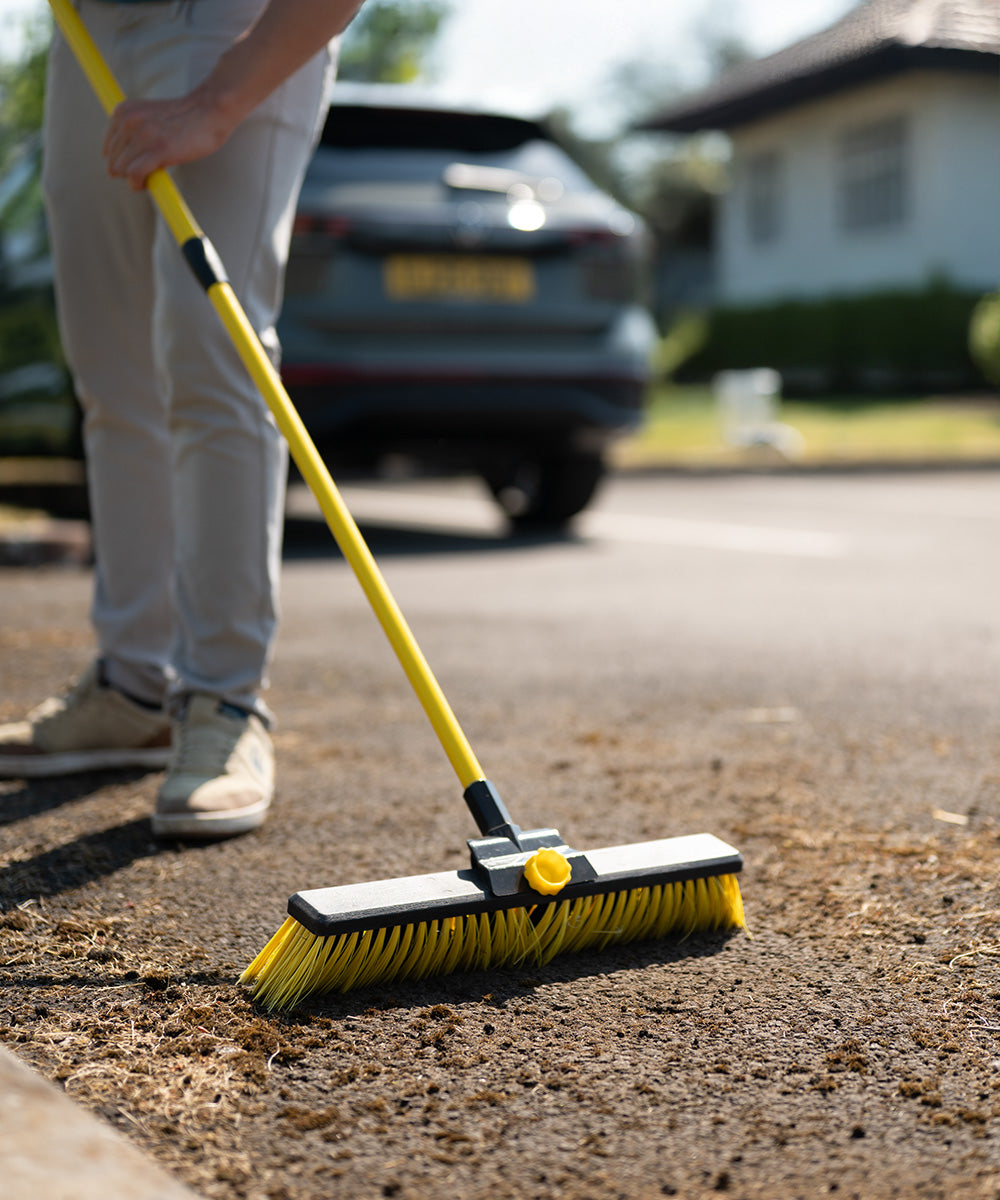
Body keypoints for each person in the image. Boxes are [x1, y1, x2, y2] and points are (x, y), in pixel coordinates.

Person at [0, 0, 365, 838]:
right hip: (84, 31)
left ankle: (226, 702)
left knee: (213, 359)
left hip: (232, 28)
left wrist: (217, 101)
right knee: (111, 379)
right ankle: (134, 688)